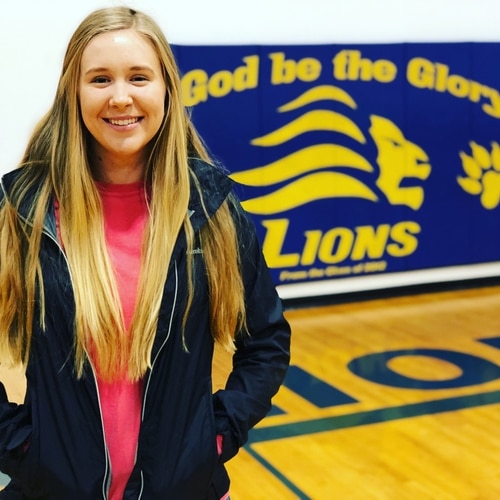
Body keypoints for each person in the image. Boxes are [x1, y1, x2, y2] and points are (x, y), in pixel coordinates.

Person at [0, 6, 291, 499]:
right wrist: (21, 446)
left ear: (166, 90)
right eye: (100, 79)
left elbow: (266, 341)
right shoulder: (24, 210)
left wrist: (215, 437)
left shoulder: (210, 208)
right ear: (73, 92)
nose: (121, 97)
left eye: (139, 77)